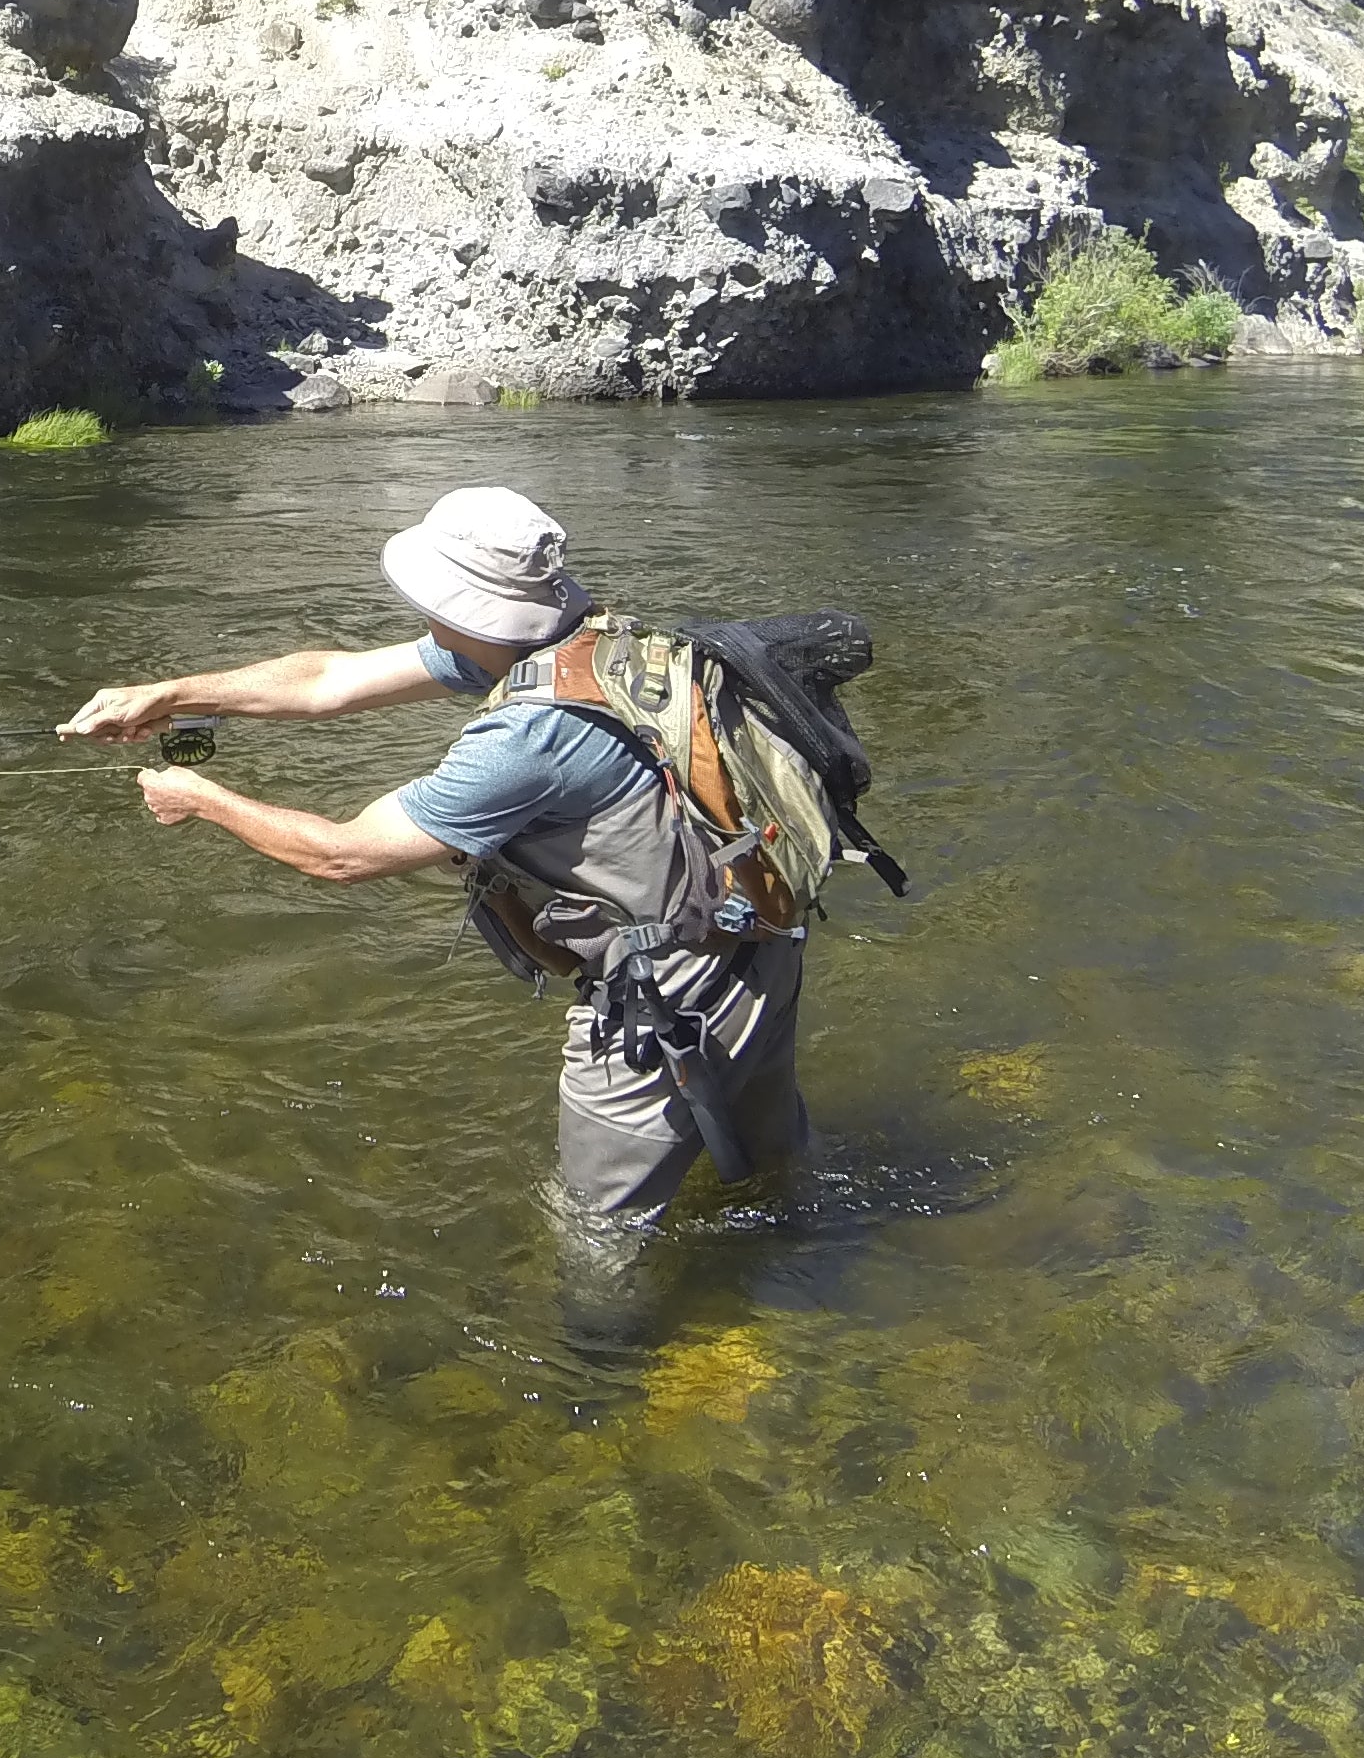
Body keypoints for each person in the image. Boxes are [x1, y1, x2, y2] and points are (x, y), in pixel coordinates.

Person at [57, 484, 808, 1221]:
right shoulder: (595, 641)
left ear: (464, 605)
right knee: (771, 1161)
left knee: (598, 1226)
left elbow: (343, 855)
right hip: (756, 932)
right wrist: (171, 694)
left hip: (664, 992)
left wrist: (200, 799)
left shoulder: (527, 740)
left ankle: (620, 1309)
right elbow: (329, 680)